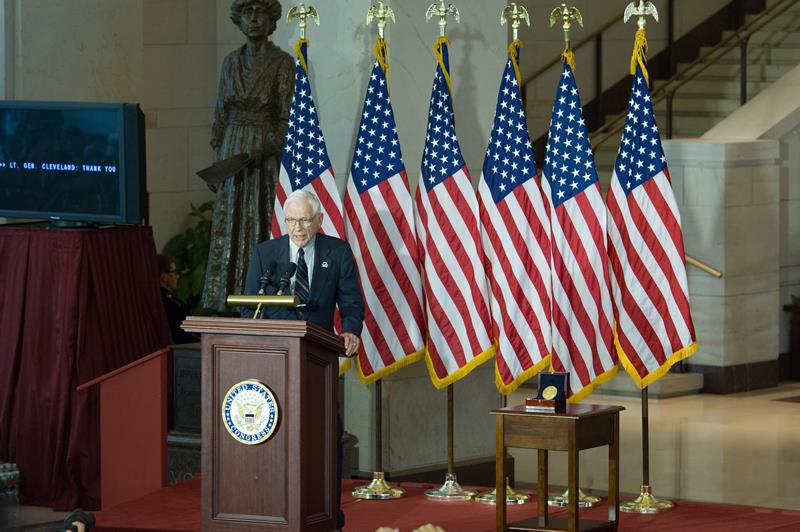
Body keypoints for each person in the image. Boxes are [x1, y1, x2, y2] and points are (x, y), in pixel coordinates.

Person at [244, 189, 364, 528]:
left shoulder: (336, 252)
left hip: (319, 359)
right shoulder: (266, 253)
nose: (297, 228)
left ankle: (328, 513)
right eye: (291, 220)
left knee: (325, 436)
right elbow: (247, 306)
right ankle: (272, 508)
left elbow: (352, 304)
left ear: (319, 221)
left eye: (304, 220)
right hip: (273, 362)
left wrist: (351, 330)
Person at [202, 0, 295, 312]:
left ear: (271, 21)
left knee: (260, 219)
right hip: (233, 150)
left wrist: (263, 148)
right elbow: (220, 114)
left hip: (263, 154)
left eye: (260, 13)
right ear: (238, 20)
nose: (253, 19)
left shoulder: (282, 63)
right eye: (247, 12)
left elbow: (286, 118)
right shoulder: (230, 62)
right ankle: (226, 296)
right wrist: (220, 162)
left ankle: (263, 295)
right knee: (231, 221)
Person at [158, 255, 197, 344]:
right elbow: (182, 336)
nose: (178, 276)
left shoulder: (172, 301)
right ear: (164, 276)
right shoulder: (171, 305)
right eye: (175, 272)